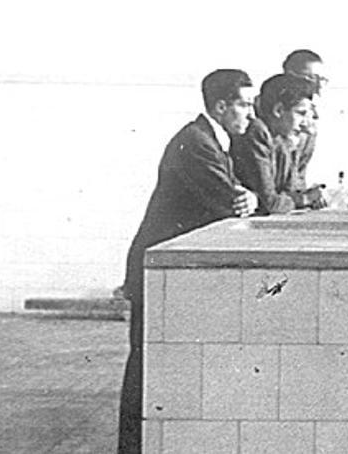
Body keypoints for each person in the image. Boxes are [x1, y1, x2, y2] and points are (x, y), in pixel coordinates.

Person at [118, 69, 259, 453]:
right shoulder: (196, 142)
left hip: (162, 267)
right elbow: (229, 202)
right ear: (221, 105)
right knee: (146, 366)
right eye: (245, 105)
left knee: (151, 364)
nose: (251, 114)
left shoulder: (210, 140)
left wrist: (247, 197)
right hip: (154, 269)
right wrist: (250, 199)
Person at [232, 73, 324, 214]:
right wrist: (305, 199)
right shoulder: (257, 132)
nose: (305, 123)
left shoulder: (281, 138)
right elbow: (271, 203)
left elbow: (289, 191)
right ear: (278, 110)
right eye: (301, 113)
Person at [282, 49, 328, 191]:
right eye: (312, 78)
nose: (319, 86)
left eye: (322, 79)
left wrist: (307, 196)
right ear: (290, 76)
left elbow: (299, 176)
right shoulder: (272, 113)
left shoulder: (310, 119)